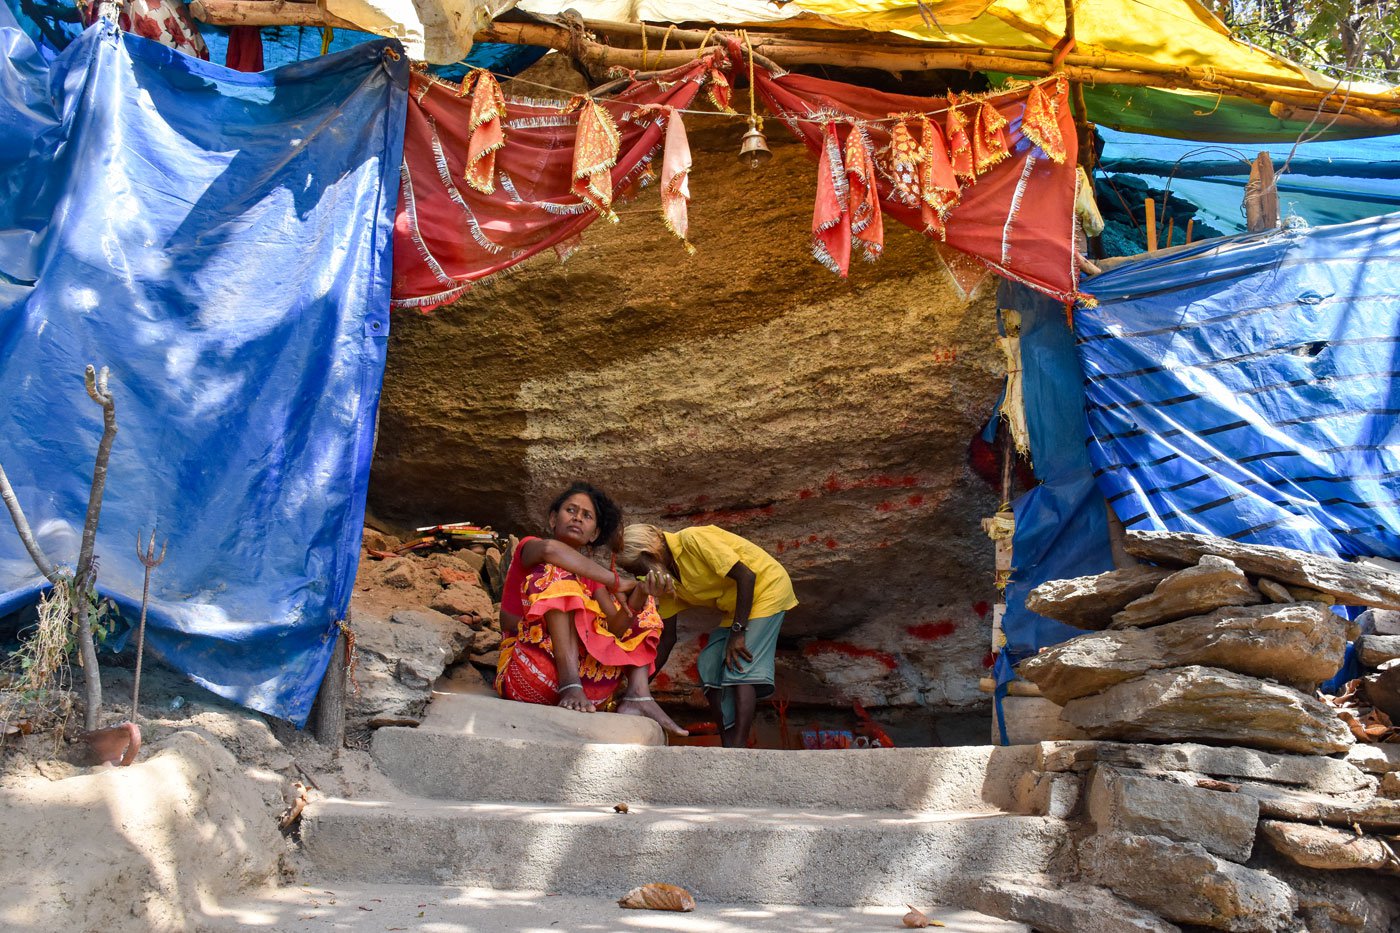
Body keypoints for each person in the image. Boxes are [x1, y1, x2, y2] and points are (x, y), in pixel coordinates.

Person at [495, 482, 686, 735]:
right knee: (559, 571)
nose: (577, 518)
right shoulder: (532, 547)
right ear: (553, 519)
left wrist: (640, 595)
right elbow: (551, 550)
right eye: (570, 510)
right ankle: (569, 683)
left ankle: (637, 696)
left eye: (587, 516)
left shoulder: (594, 578)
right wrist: (615, 581)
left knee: (644, 601)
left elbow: (618, 628)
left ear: (594, 534)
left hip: (590, 689)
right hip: (529, 672)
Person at [619, 524, 796, 748]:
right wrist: (636, 689)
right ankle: (728, 744)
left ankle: (739, 749)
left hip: (768, 589)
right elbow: (667, 638)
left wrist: (738, 632)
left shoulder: (693, 540)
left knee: (739, 660)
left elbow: (746, 576)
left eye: (637, 569)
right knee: (708, 663)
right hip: (737, 607)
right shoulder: (667, 581)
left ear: (649, 554)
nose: (638, 576)